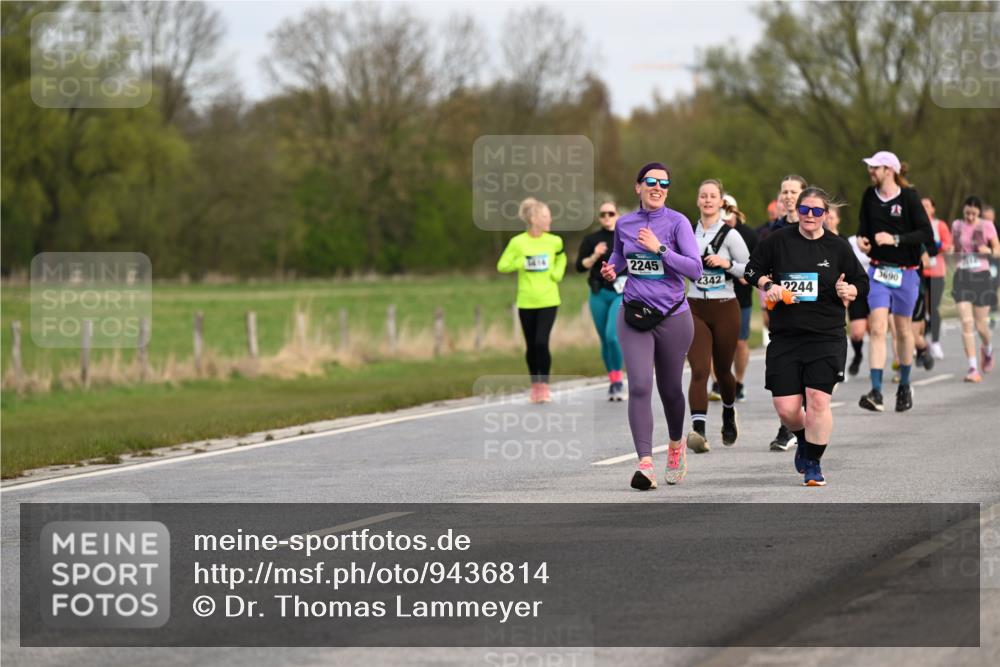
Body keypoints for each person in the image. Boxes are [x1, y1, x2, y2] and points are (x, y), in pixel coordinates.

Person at [744, 187, 869, 486]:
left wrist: (849, 290)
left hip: (826, 335)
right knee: (787, 409)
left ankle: (813, 462)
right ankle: (802, 438)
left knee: (817, 401)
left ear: (826, 215)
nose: (809, 216)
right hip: (786, 336)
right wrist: (767, 284)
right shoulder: (778, 240)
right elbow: (751, 269)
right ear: (796, 211)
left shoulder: (837, 247)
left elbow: (861, 281)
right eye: (804, 210)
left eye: (816, 211)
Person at [600, 162, 702, 490]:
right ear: (638, 187)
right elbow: (619, 254)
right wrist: (612, 269)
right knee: (641, 385)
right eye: (651, 182)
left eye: (664, 183)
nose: (657, 187)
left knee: (670, 388)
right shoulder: (625, 223)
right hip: (634, 314)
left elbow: (695, 270)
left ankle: (675, 446)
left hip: (673, 315)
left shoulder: (678, 222)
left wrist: (659, 248)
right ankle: (645, 464)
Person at [855, 151, 934, 413]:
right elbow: (863, 229)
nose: (870, 172)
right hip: (878, 271)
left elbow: (926, 233)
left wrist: (896, 239)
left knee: (903, 330)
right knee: (877, 328)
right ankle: (876, 391)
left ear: (889, 170)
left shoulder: (909, 197)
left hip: (907, 272)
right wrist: (862, 242)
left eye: (875, 168)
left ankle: (905, 385)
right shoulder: (869, 196)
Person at [685, 182, 750, 453]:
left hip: (725, 306)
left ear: (721, 202)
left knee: (723, 370)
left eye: (713, 196)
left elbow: (750, 271)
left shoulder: (731, 235)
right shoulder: (686, 231)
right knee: (699, 369)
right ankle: (698, 431)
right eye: (703, 196)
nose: (708, 200)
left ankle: (727, 411)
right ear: (698, 201)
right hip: (694, 307)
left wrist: (727, 265)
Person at [497, 197, 567, 403]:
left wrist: (557, 272)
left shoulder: (555, 241)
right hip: (526, 301)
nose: (550, 220)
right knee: (530, 345)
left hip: (549, 299)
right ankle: (535, 386)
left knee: (541, 342)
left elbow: (561, 257)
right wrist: (522, 262)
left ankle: (544, 387)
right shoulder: (518, 242)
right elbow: (502, 265)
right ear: (533, 218)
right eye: (546, 216)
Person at [765, 175, 808, 452]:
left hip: (812, 308)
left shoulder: (815, 225)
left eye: (794, 191)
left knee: (808, 365)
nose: (789, 196)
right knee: (788, 367)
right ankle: (790, 424)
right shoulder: (775, 230)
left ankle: (792, 428)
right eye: (785, 192)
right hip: (783, 309)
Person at [576, 200, 626, 401]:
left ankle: (620, 379)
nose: (607, 217)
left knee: (613, 336)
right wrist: (594, 255)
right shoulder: (591, 239)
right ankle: (613, 381)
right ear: (599, 217)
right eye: (603, 214)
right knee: (604, 340)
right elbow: (579, 266)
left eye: (611, 213)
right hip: (598, 293)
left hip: (620, 293)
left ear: (618, 215)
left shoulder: (625, 236)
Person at [950, 196, 1000, 382]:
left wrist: (988, 251)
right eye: (967, 213)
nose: (970, 217)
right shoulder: (956, 225)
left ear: (979, 212)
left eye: (973, 214)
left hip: (981, 277)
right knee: (966, 322)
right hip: (962, 276)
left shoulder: (987, 226)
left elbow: (997, 249)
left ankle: (987, 348)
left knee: (981, 325)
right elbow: (955, 248)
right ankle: (972, 367)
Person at [921, 197, 953, 360]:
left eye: (927, 206)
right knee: (918, 307)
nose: (924, 208)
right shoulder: (915, 225)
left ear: (933, 209)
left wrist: (935, 246)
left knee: (934, 307)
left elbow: (948, 245)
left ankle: (935, 342)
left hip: (936, 271)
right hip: (919, 272)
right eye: (922, 206)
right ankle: (919, 342)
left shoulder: (939, 225)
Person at [845, 213, 872, 376]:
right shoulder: (850, 242)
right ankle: (858, 355)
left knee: (876, 329)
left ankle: (877, 367)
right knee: (856, 332)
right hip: (859, 290)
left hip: (877, 289)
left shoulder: (881, 241)